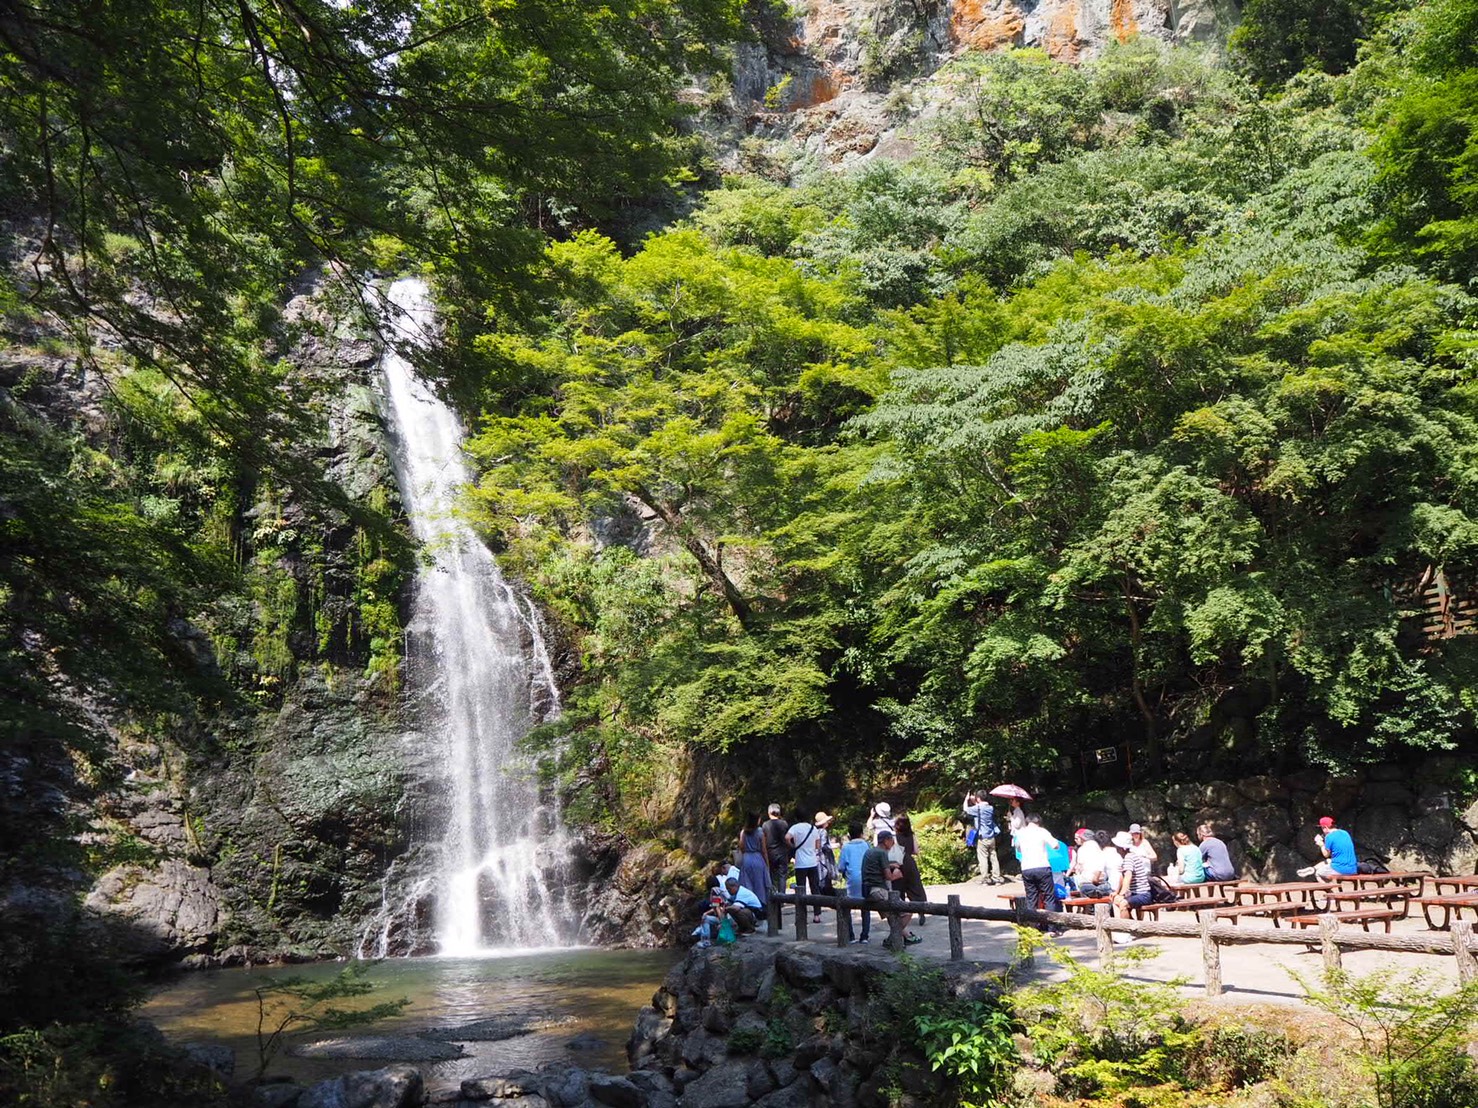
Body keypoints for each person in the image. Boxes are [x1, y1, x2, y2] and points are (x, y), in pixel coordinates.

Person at [862, 829, 916, 952]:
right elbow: (888, 877)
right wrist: (897, 874)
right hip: (878, 890)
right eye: (891, 840)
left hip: (868, 890)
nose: (893, 843)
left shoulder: (870, 851)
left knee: (892, 915)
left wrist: (890, 865)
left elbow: (875, 867)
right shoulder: (882, 853)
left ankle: (901, 938)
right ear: (886, 841)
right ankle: (892, 939)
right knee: (908, 911)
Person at [1015, 814, 1062, 916]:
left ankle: (1033, 927)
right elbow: (1056, 845)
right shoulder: (1042, 831)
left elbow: (1018, 849)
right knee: (1049, 897)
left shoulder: (1020, 833)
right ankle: (1051, 928)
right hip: (1042, 866)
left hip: (1026, 868)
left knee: (1031, 898)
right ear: (1038, 822)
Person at [693, 878, 762, 946]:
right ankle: (706, 941)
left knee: (735, 910)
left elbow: (721, 909)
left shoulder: (722, 895)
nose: (728, 891)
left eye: (729, 889)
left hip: (750, 915)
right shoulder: (728, 895)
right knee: (706, 918)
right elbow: (716, 907)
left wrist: (722, 917)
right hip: (728, 918)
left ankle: (749, 929)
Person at [787, 812, 828, 924]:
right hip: (812, 862)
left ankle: (802, 917)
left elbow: (787, 838)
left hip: (800, 863)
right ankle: (817, 915)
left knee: (801, 889)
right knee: (815, 888)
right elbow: (818, 845)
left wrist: (794, 847)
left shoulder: (795, 827)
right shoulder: (813, 828)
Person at [837, 822, 871, 943]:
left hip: (852, 880)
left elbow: (841, 867)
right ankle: (864, 936)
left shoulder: (846, 847)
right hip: (866, 879)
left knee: (848, 907)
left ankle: (851, 935)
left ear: (849, 835)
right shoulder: (866, 845)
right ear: (861, 833)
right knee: (865, 907)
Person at [894, 815, 929, 931]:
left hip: (898, 862)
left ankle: (901, 912)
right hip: (909, 862)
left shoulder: (895, 837)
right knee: (915, 887)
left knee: (899, 888)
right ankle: (921, 910)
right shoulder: (911, 835)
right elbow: (916, 850)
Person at [962, 791, 1002, 885]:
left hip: (982, 837)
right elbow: (980, 809)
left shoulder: (977, 808)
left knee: (983, 858)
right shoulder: (990, 808)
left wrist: (966, 799)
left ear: (978, 798)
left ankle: (985, 879)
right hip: (991, 836)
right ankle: (996, 878)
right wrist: (976, 802)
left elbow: (966, 809)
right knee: (993, 856)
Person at [1111, 831, 1153, 917]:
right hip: (1134, 893)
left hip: (1143, 894)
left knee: (1123, 904)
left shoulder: (1129, 858)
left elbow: (1128, 876)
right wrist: (1117, 892)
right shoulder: (1128, 857)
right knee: (1115, 900)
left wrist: (1122, 894)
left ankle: (1126, 927)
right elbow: (1122, 877)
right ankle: (1132, 923)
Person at [737, 812, 772, 909]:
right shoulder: (760, 832)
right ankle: (761, 905)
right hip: (758, 858)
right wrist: (767, 863)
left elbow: (742, 847)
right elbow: (764, 850)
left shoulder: (743, 832)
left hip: (746, 858)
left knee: (747, 883)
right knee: (760, 883)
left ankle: (750, 906)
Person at [763, 804, 790, 910]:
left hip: (770, 852)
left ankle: (773, 896)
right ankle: (782, 898)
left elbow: (763, 840)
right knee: (782, 875)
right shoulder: (784, 823)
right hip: (782, 852)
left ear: (769, 813)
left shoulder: (765, 825)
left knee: (772, 875)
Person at [1071, 828, 1111, 897]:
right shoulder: (1099, 848)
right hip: (1102, 881)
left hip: (1087, 881)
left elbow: (1079, 868)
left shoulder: (1082, 849)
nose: (1075, 841)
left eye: (1077, 838)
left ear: (1083, 838)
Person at [1314, 816, 1358, 881]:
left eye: (1322, 828)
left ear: (1325, 827)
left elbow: (1326, 855)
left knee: (1318, 873)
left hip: (1340, 869)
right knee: (1329, 862)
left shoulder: (1329, 837)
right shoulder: (1345, 833)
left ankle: (1329, 890)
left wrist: (1321, 844)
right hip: (1353, 869)